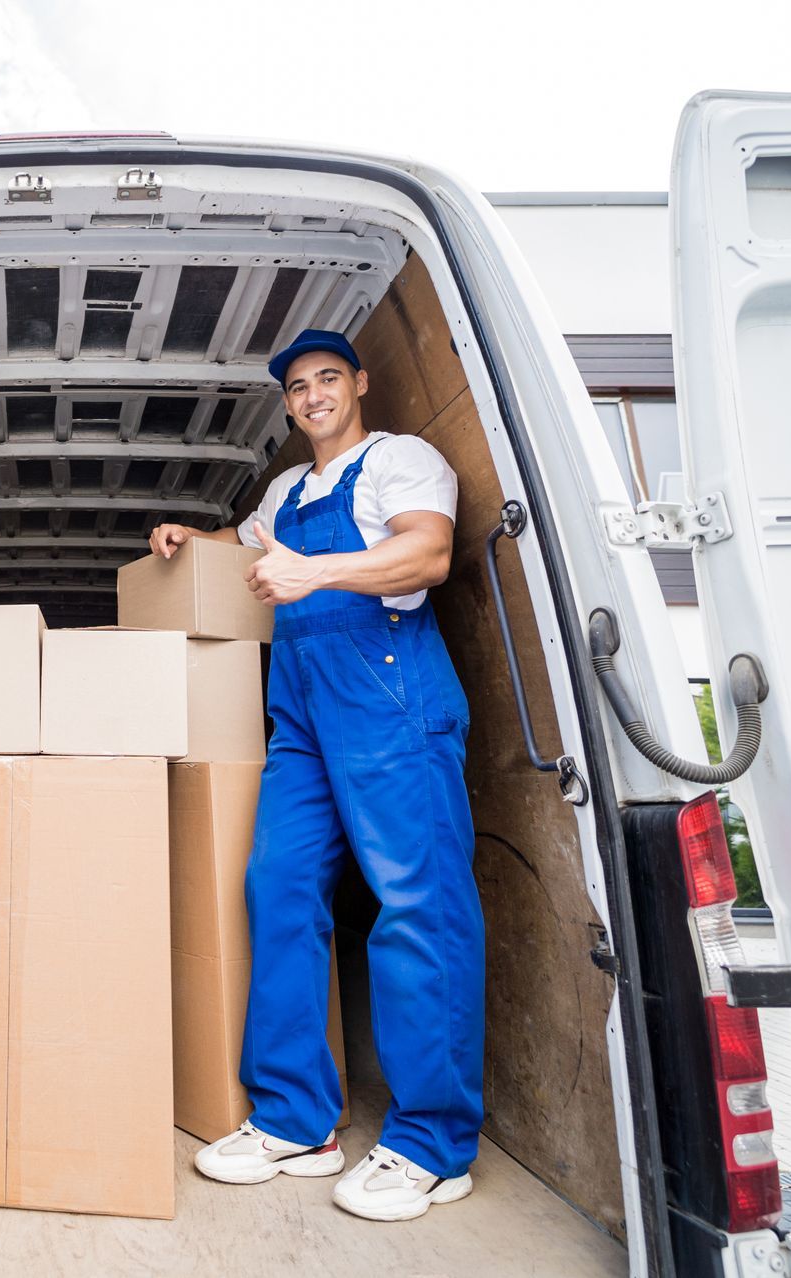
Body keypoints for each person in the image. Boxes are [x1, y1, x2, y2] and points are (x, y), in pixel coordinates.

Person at [150, 328, 483, 1223]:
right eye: (297, 387)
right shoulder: (286, 489)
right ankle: (297, 1117)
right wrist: (194, 537)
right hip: (301, 714)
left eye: (327, 378)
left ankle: (433, 1143)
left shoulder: (399, 461)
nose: (312, 396)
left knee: (418, 903)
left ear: (358, 383)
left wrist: (316, 572)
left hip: (390, 695)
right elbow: (243, 542)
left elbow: (427, 554)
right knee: (279, 887)